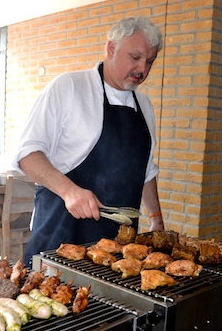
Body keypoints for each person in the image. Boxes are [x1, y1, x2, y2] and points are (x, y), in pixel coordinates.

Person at [14, 16, 165, 264]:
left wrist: (156, 217)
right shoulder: (69, 87)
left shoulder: (144, 106)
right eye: (135, 57)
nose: (143, 70)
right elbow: (27, 154)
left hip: (119, 250)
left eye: (150, 61)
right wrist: (69, 191)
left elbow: (146, 170)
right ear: (111, 48)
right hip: (60, 237)